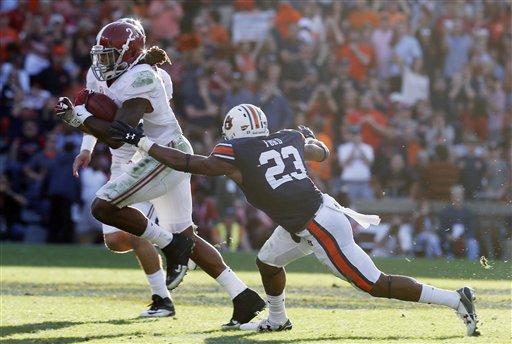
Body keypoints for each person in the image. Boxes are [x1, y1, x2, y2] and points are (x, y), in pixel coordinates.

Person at [110, 103, 479, 337]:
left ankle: (454, 299)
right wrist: (307, 138)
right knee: (268, 262)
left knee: (373, 284)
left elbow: (189, 163)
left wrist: (141, 142)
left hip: (318, 224)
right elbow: (321, 151)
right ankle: (277, 318)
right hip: (308, 217)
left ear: (234, 132)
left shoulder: (236, 149)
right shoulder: (286, 137)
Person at [55, 20, 264, 325]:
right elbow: (102, 116)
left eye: (110, 55)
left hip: (159, 156)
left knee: (105, 207)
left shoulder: (144, 77)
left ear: (130, 53)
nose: (102, 63)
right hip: (153, 155)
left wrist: (78, 118)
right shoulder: (105, 73)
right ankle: (243, 296)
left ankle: (167, 256)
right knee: (179, 236)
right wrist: (84, 134)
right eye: (100, 55)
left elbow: (118, 132)